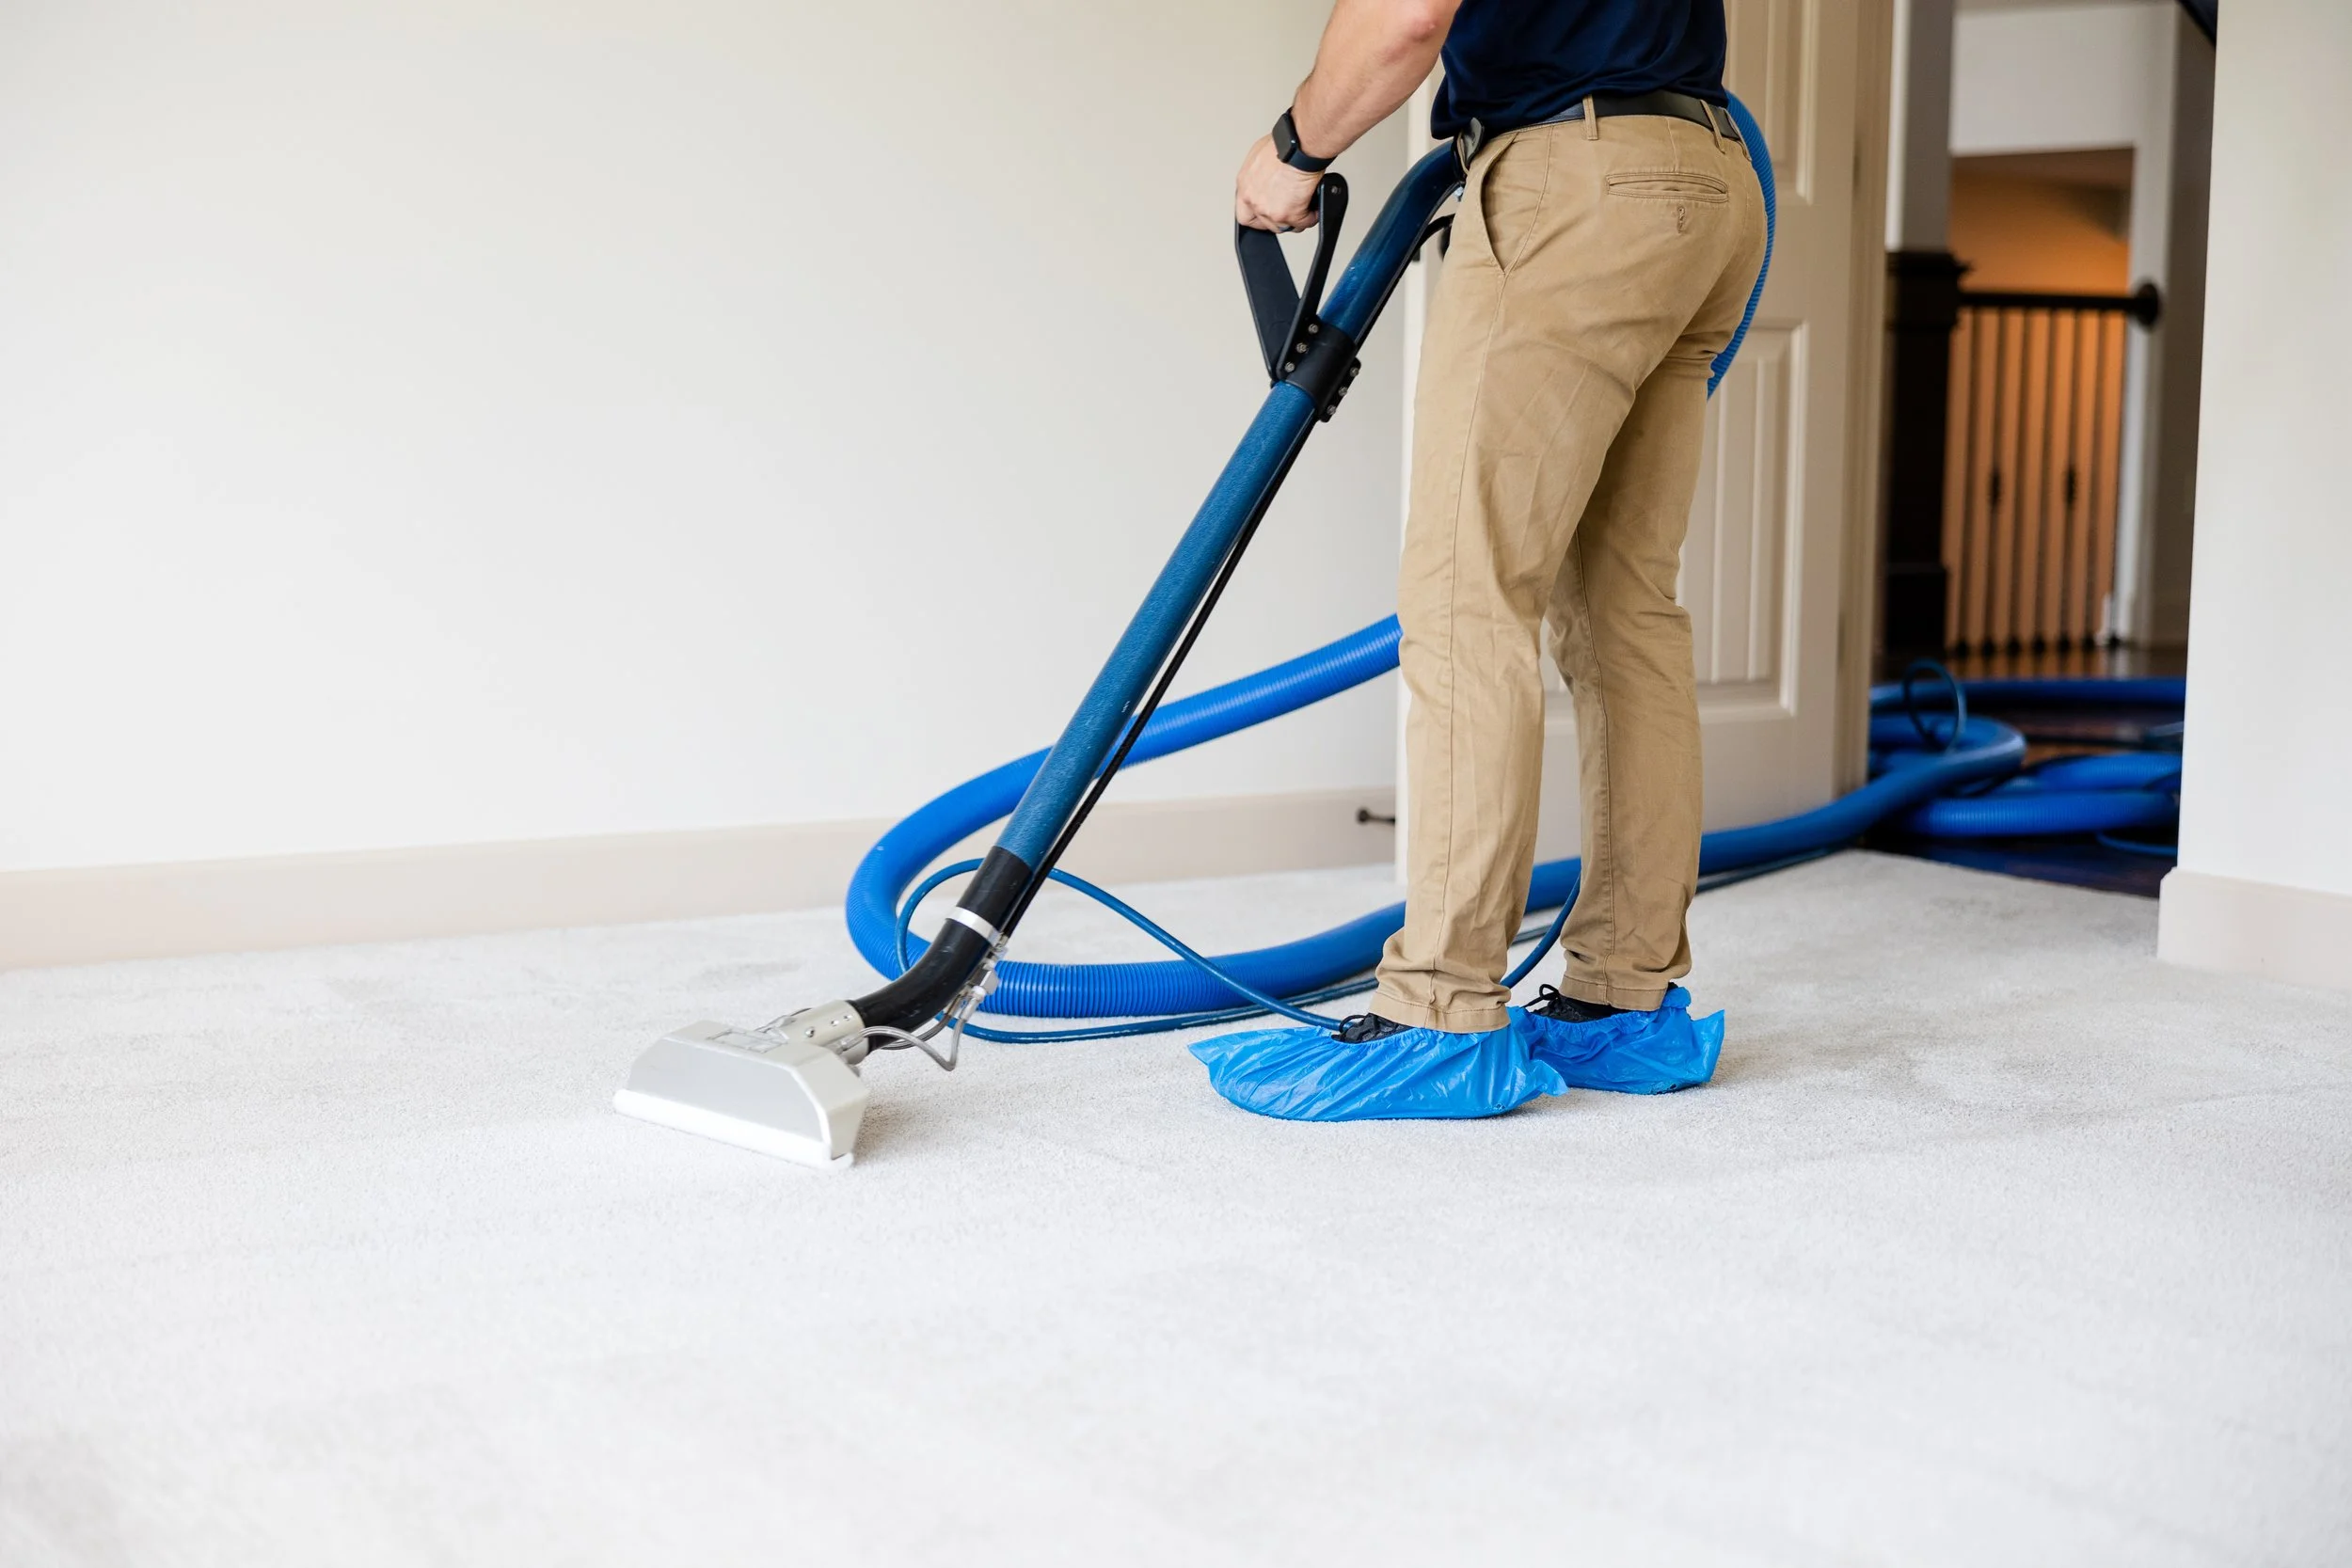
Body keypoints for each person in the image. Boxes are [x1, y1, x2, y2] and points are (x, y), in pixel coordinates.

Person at [1197, 0, 1763, 1119]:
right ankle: (1625, 997)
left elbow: (1406, 16)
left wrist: (1294, 150)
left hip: (1575, 179)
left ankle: (1441, 1008)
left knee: (1468, 592)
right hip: (1708, 175)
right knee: (1624, 606)